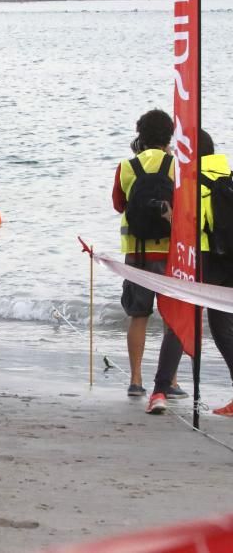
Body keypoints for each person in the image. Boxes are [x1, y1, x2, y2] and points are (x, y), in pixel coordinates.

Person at [146, 131, 233, 414]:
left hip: (202, 259)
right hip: (229, 261)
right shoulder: (228, 174)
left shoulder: (190, 181)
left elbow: (186, 225)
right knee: (223, 330)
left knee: (178, 320)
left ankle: (159, 392)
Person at [111, 109, 185, 399]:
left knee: (138, 315)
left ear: (140, 135)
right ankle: (172, 381)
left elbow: (119, 205)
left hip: (137, 252)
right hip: (171, 252)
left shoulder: (127, 166)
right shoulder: (177, 166)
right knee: (172, 318)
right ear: (169, 136)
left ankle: (136, 379)